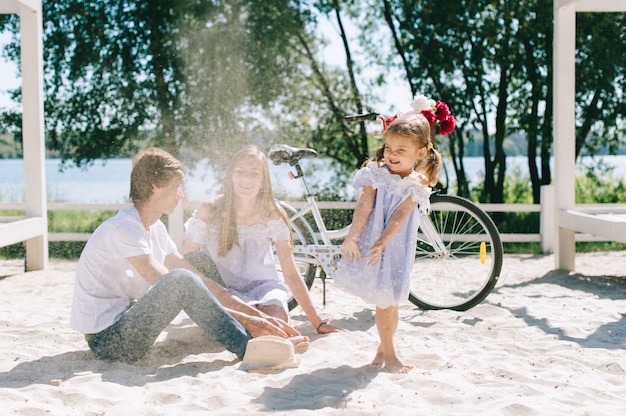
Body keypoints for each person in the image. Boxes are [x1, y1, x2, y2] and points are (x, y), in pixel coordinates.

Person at [70, 147, 309, 364]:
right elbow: (175, 285)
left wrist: (258, 317)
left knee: (196, 266)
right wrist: (251, 322)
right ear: (156, 185)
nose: (181, 196)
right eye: (177, 187)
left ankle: (258, 337)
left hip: (129, 320)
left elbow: (196, 279)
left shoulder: (155, 229)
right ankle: (249, 348)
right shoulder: (124, 228)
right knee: (181, 281)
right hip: (109, 341)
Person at [334, 95, 452, 373]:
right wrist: (352, 236)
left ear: (420, 154)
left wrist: (385, 241)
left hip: (394, 247)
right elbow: (365, 205)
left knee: (392, 302)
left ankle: (382, 349)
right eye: (388, 147)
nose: (392, 155)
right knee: (385, 303)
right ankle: (390, 355)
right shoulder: (375, 173)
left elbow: (400, 216)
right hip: (374, 247)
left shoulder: (417, 184)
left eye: (401, 150)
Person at [182, 145, 343, 335]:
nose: (246, 179)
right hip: (223, 290)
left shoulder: (272, 213)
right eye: (240, 172)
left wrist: (318, 323)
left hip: (263, 287)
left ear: (263, 180)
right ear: (231, 175)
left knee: (275, 324)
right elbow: (185, 259)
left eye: (254, 174)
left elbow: (290, 273)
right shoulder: (210, 209)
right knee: (250, 328)